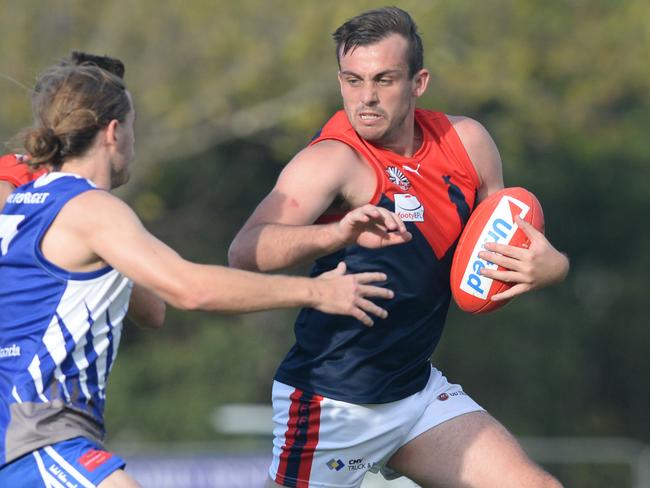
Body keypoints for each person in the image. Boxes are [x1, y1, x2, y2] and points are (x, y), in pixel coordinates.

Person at [0, 60, 395, 488]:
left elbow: (152, 310)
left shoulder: (23, 202)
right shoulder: (91, 210)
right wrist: (317, 292)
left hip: (28, 430)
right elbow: (191, 289)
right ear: (114, 132)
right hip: (37, 435)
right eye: (133, 125)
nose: (134, 140)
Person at [228, 7, 569, 488]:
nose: (365, 98)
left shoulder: (467, 142)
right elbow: (245, 250)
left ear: (418, 82)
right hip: (334, 401)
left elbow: (497, 251)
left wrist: (551, 267)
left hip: (415, 392)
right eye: (352, 80)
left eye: (384, 80)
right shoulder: (332, 160)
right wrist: (336, 234)